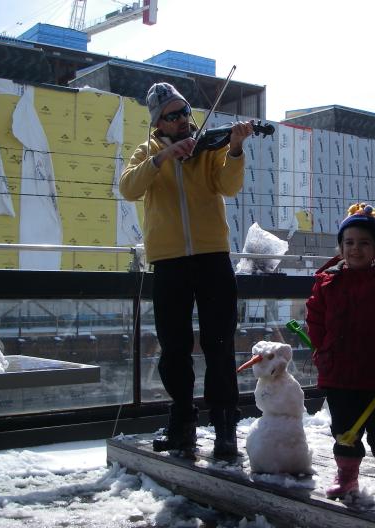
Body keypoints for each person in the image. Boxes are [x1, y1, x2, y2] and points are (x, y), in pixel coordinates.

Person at [119, 82, 253, 458]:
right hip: (168, 260)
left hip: (212, 256)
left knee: (219, 343)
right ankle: (182, 423)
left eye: (184, 112)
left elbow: (228, 186)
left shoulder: (209, 147)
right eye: (172, 115)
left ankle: (225, 426)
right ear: (158, 122)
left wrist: (236, 148)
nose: (182, 120)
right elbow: (128, 188)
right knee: (174, 347)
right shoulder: (146, 151)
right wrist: (162, 158)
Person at [305, 203, 375, 504]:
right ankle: (346, 476)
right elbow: (315, 320)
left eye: (364, 243)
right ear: (341, 247)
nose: (355, 249)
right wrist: (322, 348)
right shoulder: (326, 285)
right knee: (343, 429)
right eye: (349, 242)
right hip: (338, 373)